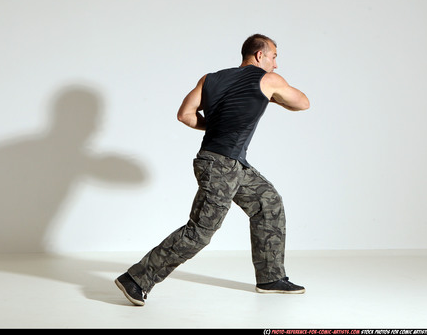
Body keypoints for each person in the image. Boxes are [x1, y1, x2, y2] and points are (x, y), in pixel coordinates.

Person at [115, 34, 310, 306]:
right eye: (274, 56)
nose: (276, 65)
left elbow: (185, 114)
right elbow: (302, 102)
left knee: (269, 203)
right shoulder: (269, 81)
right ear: (259, 55)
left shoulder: (210, 79)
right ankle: (136, 279)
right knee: (200, 231)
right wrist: (273, 97)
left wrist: (218, 125)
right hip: (221, 166)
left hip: (228, 163)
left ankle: (270, 277)